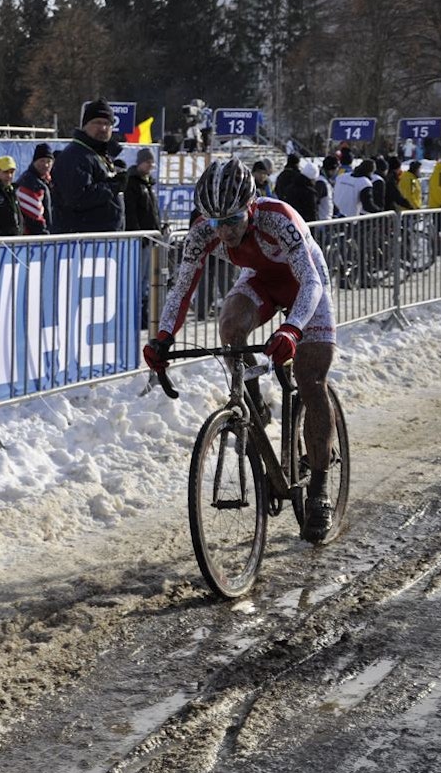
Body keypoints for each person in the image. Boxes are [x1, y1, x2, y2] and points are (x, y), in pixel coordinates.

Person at [144, 159, 337, 542]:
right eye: (216, 223)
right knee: (230, 324)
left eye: (232, 219)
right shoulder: (203, 232)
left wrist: (293, 329)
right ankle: (252, 402)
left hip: (307, 287)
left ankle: (320, 487)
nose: (225, 231)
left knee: (310, 379)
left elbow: (311, 282)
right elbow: (182, 289)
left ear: (250, 206)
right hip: (262, 282)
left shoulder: (278, 218)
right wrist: (163, 338)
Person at [50, 99, 124, 233]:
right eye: (97, 122)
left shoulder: (98, 154)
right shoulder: (75, 155)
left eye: (107, 124)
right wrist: (113, 185)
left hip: (101, 240)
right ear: (84, 125)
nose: (103, 128)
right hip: (80, 242)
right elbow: (77, 198)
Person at [16, 143, 55, 236]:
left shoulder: (46, 180)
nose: (45, 165)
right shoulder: (30, 182)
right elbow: (34, 218)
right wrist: (44, 235)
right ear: (34, 162)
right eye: (42, 161)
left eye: (49, 161)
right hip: (34, 239)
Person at [124, 147, 161, 231]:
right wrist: (136, 232)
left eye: (152, 163)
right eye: (148, 162)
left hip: (152, 234)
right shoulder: (131, 182)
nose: (150, 165)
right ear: (140, 163)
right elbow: (130, 211)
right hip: (140, 234)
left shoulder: (149, 183)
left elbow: (154, 210)